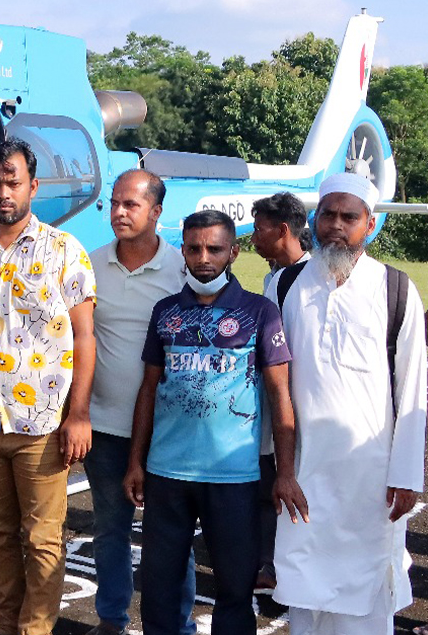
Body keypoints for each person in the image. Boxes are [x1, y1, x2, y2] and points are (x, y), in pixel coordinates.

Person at [0, 138, 97, 635]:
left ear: (33, 185)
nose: (3, 191)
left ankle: (35, 631)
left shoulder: (64, 250)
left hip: (44, 426)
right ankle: (7, 626)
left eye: (12, 181)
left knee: (44, 540)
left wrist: (79, 415)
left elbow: (85, 335)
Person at [123, 209, 306, 635]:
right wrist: (136, 462)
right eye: (194, 248)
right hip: (167, 475)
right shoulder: (165, 311)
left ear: (233, 252)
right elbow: (148, 389)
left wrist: (285, 472)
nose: (203, 258)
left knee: (235, 593)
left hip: (235, 478)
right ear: (183, 251)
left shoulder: (260, 312)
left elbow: (280, 394)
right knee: (158, 592)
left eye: (214, 248)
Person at [272, 173, 426, 635]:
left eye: (349, 217)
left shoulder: (396, 290)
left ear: (370, 224)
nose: (336, 225)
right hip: (302, 471)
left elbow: (414, 387)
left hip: (370, 477)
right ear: (315, 219)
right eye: (328, 215)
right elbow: (273, 382)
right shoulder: (283, 286)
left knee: (365, 597)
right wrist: (276, 468)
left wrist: (406, 476)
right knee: (303, 589)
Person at [85, 170, 195, 635]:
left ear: (157, 212)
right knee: (110, 530)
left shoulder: (183, 270)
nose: (118, 212)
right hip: (105, 426)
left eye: (130, 204)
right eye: (114, 203)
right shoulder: (89, 265)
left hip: (168, 429)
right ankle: (112, 619)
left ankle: (177, 624)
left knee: (172, 536)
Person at [248, 191, 312, 591]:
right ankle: (272, 563)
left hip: (300, 402)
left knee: (289, 483)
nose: (254, 237)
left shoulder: (307, 279)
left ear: (283, 230)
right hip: (278, 402)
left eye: (259, 229)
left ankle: (281, 565)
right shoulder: (277, 276)